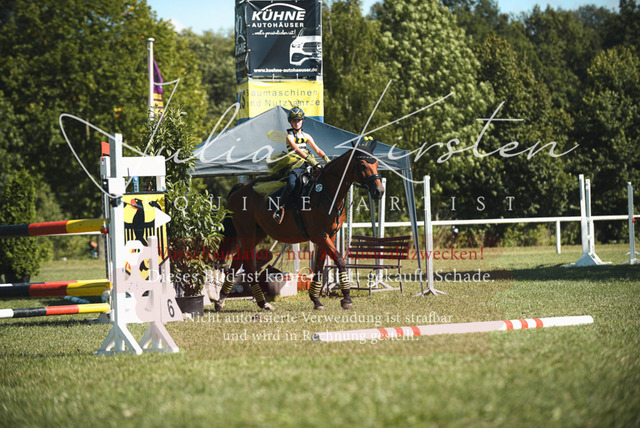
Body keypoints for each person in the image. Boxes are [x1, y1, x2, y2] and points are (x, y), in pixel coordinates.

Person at [273, 107, 330, 224]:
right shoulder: (289, 136)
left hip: (307, 162)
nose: (297, 122)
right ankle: (280, 207)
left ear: (302, 121)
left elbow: (317, 150)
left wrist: (326, 159)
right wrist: (313, 161)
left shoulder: (307, 136)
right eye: (294, 120)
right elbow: (297, 150)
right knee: (291, 184)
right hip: (294, 163)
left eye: (299, 120)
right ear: (290, 122)